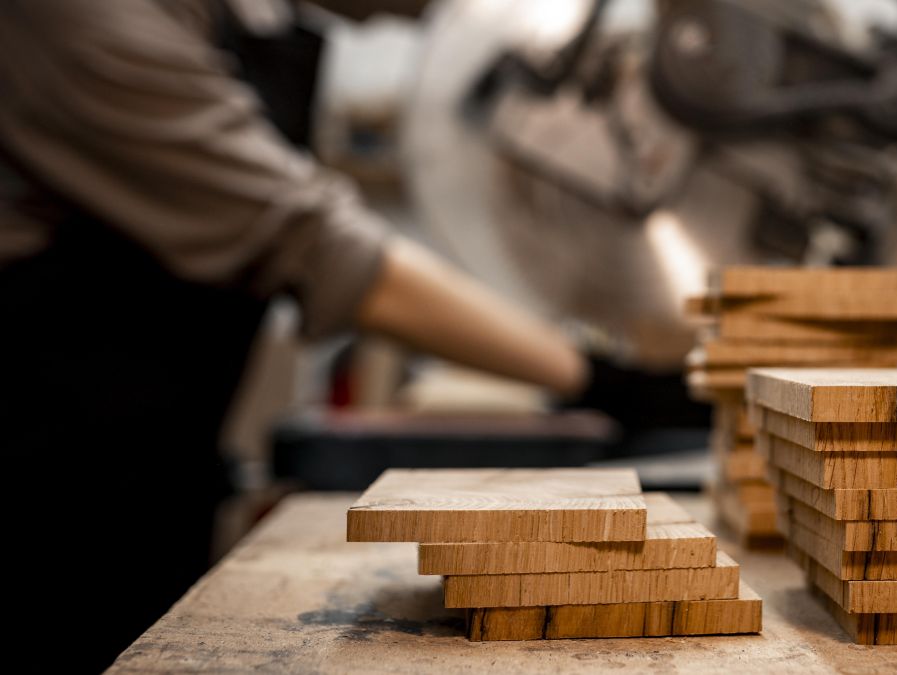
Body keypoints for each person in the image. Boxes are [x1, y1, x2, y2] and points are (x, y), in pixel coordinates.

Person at [0, 1, 587, 669]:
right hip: (41, 498)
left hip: (152, 475)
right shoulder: (75, 18)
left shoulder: (244, 22)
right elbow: (313, 246)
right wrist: (588, 372)